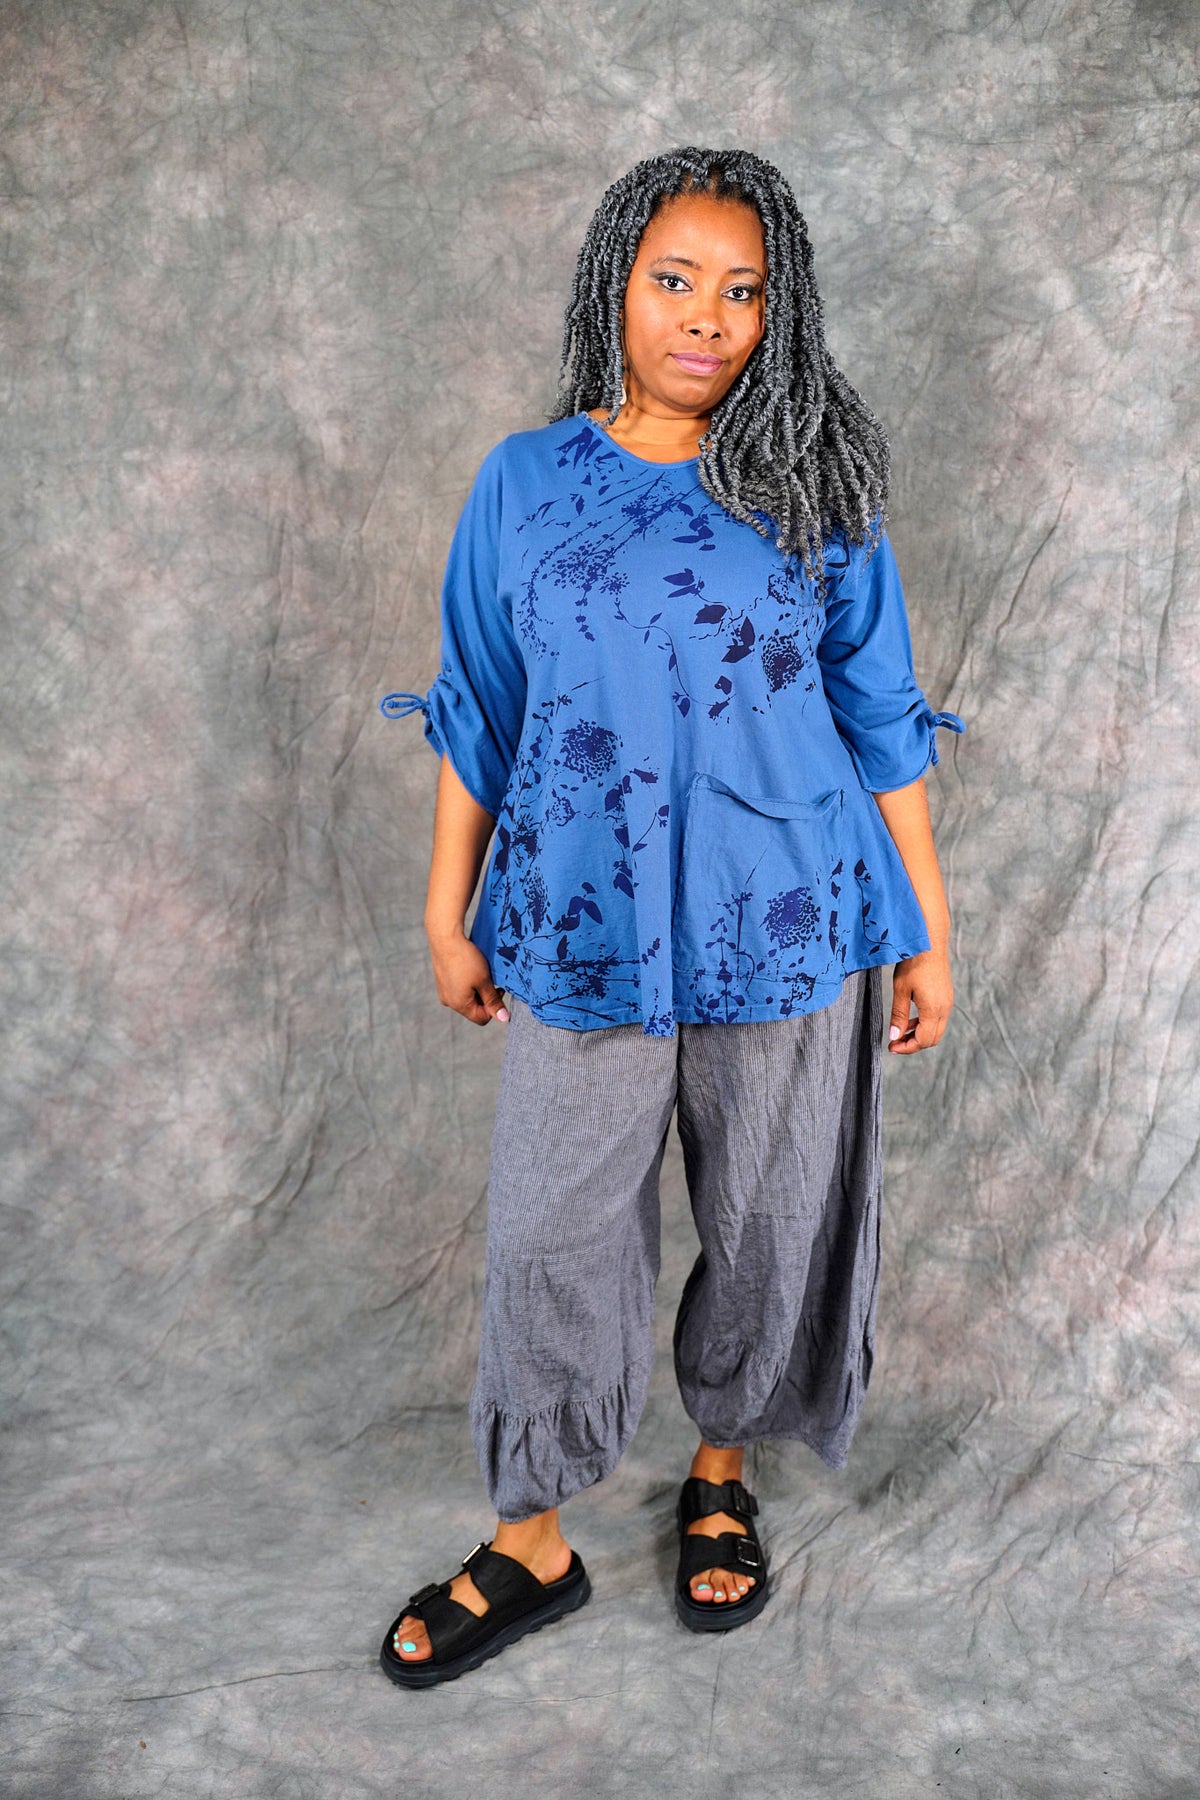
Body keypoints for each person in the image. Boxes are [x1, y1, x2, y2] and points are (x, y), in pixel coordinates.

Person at [377, 146, 965, 1689]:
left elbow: (881, 714)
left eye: (743, 290)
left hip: (792, 916)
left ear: (781, 311)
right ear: (615, 287)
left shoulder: (814, 484)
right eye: (676, 279)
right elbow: (479, 708)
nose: (708, 316)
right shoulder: (523, 482)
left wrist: (927, 927)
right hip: (582, 918)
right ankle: (532, 1538)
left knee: (768, 1216)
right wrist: (446, 909)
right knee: (551, 1230)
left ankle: (721, 1471)